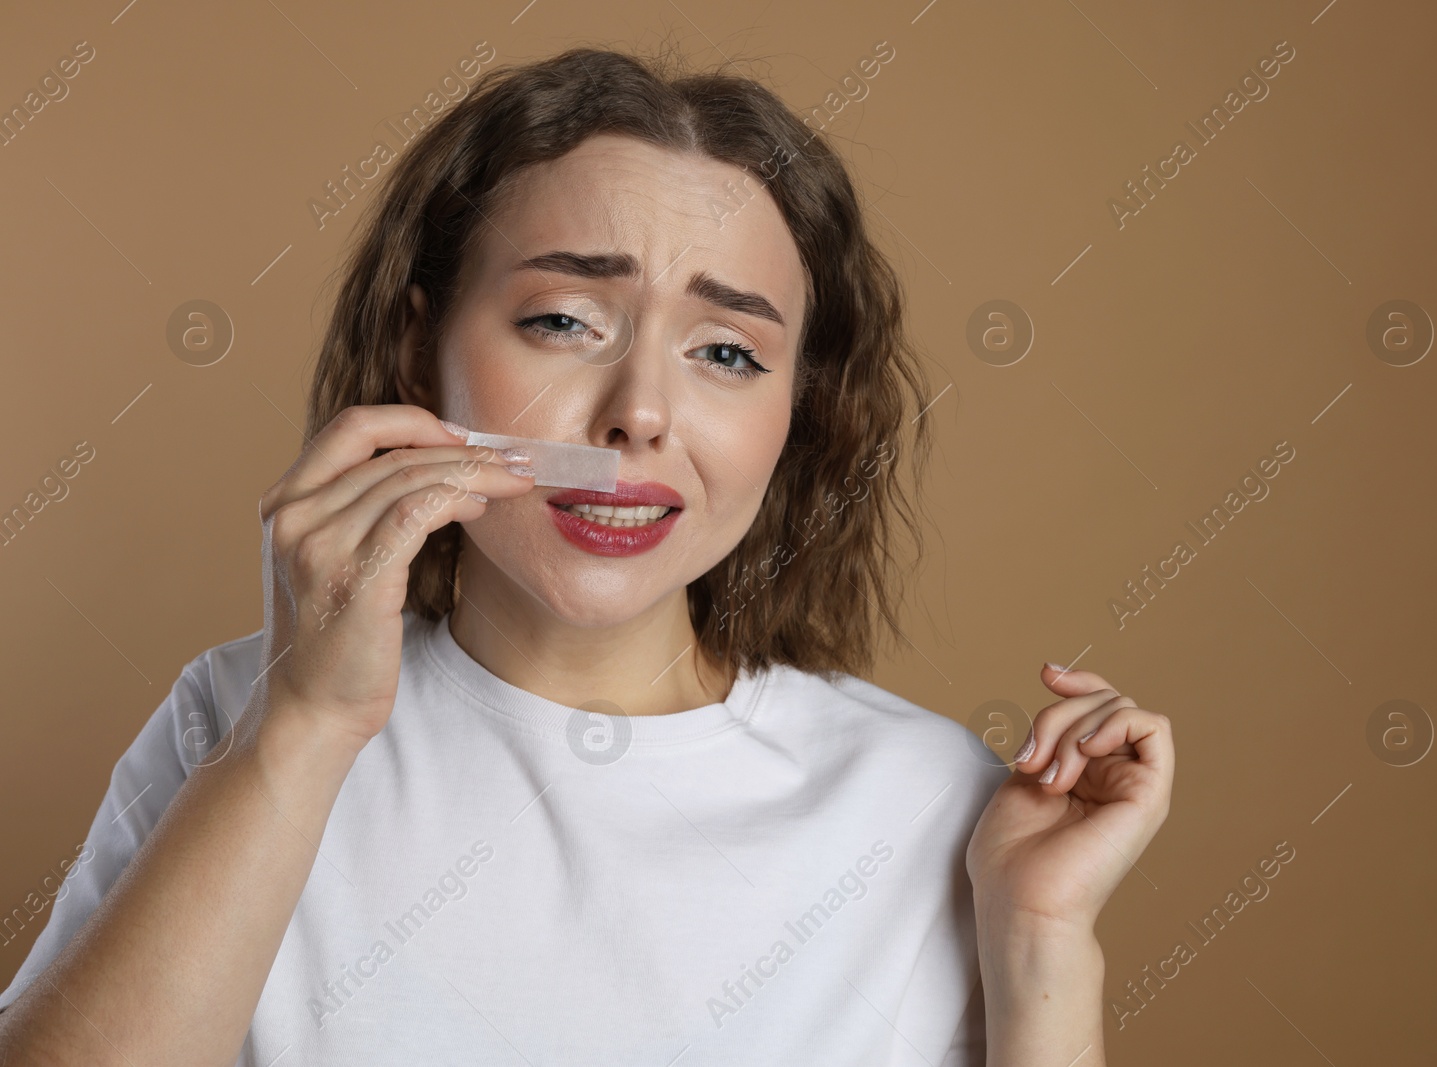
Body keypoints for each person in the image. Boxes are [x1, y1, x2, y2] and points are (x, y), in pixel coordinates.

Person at [0, 46, 1172, 1066]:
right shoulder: (236, 717)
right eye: (563, 321)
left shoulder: (933, 806)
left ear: (794, 417)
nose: (639, 415)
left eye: (725, 352)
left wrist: (1040, 936)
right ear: (422, 355)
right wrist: (299, 729)